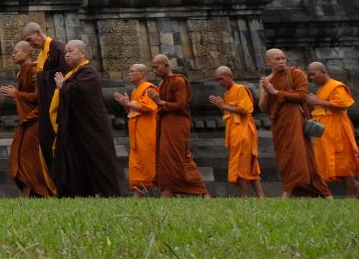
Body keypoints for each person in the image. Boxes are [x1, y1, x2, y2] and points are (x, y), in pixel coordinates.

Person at [51, 40, 120, 198]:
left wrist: (63, 86)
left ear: (83, 53)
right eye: (65, 52)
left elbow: (80, 91)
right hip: (79, 128)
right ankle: (81, 194)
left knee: (98, 162)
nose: (67, 54)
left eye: (71, 51)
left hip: (93, 128)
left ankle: (107, 195)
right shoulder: (74, 73)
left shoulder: (88, 72)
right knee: (77, 161)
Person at [259, 49, 330, 198]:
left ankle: (287, 193)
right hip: (279, 123)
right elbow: (263, 107)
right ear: (268, 62)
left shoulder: (295, 74)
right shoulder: (267, 80)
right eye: (277, 59)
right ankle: (325, 194)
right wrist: (266, 92)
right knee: (285, 157)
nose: (281, 61)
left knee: (297, 155)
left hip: (295, 120)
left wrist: (277, 93)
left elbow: (303, 96)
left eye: (283, 58)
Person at [149, 55, 209, 198]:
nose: (155, 71)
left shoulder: (179, 81)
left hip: (178, 122)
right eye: (153, 68)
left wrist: (159, 101)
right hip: (166, 122)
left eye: (157, 67)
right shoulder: (162, 84)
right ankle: (168, 192)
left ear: (166, 65)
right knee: (167, 157)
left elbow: (180, 104)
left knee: (180, 156)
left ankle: (204, 192)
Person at [305, 61, 359, 197]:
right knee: (333, 160)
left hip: (338, 129)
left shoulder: (336, 86)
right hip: (326, 130)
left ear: (323, 71)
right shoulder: (322, 88)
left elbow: (342, 105)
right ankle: (356, 186)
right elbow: (322, 108)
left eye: (313, 74)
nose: (312, 78)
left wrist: (317, 102)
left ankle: (352, 192)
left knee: (342, 159)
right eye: (310, 76)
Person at [2, 40, 52, 197]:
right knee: (20, 153)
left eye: (16, 51)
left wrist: (16, 95)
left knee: (27, 154)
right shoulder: (21, 73)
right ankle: (29, 191)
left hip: (36, 119)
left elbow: (40, 96)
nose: (13, 54)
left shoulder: (35, 71)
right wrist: (18, 96)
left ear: (27, 53)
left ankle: (34, 191)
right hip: (27, 119)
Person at [22, 22, 67, 192]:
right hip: (47, 107)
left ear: (39, 32)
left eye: (30, 39)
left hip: (58, 107)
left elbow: (63, 76)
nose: (30, 43)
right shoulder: (42, 55)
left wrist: (41, 76)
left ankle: (62, 186)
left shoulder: (57, 48)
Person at [208, 66, 264, 198]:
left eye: (221, 79)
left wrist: (224, 106)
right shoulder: (227, 94)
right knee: (247, 164)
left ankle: (244, 196)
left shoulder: (240, 89)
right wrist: (221, 107)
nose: (220, 83)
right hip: (234, 131)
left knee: (242, 163)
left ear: (230, 76)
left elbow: (246, 110)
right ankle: (261, 197)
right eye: (217, 80)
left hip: (244, 131)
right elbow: (228, 112)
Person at [113, 63, 158, 197]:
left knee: (150, 162)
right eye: (129, 71)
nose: (129, 74)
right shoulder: (135, 91)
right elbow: (133, 110)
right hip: (136, 135)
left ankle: (167, 192)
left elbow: (147, 108)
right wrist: (126, 105)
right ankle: (137, 196)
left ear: (142, 74)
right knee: (135, 164)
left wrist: (127, 103)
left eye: (132, 71)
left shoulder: (150, 89)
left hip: (148, 132)